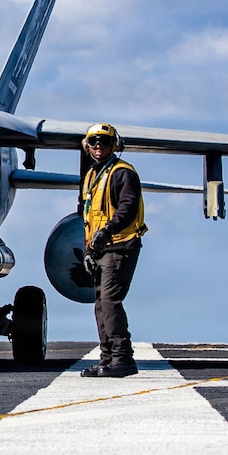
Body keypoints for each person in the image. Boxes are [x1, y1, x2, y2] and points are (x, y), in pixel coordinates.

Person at [78, 123, 146, 378]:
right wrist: (88, 250)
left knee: (109, 301)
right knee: (100, 304)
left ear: (114, 145)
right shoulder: (92, 175)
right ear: (87, 145)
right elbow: (88, 217)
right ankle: (107, 360)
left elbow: (127, 208)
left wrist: (106, 232)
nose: (99, 146)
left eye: (104, 141)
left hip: (120, 245)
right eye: (94, 141)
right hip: (100, 248)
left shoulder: (122, 173)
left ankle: (122, 359)